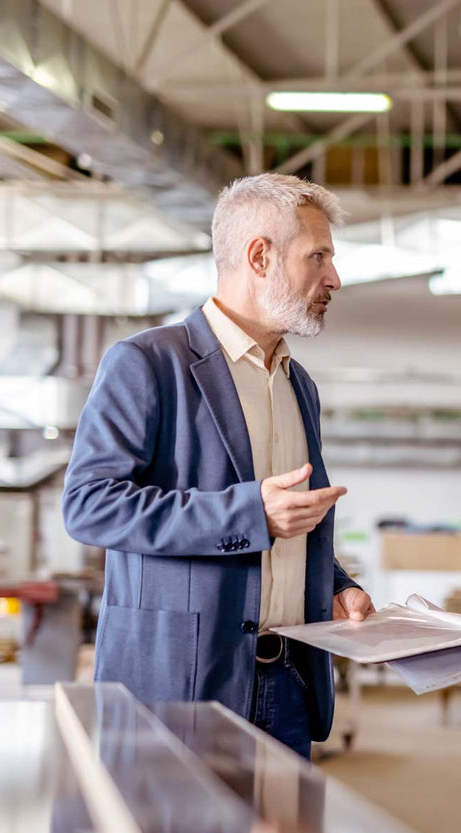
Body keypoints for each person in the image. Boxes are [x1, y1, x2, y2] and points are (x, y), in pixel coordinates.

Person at [63, 173, 374, 759]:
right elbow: (89, 505)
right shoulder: (149, 363)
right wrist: (249, 510)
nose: (333, 278)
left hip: (288, 684)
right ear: (260, 256)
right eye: (318, 258)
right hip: (182, 687)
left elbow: (287, 519)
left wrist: (334, 585)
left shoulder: (295, 382)